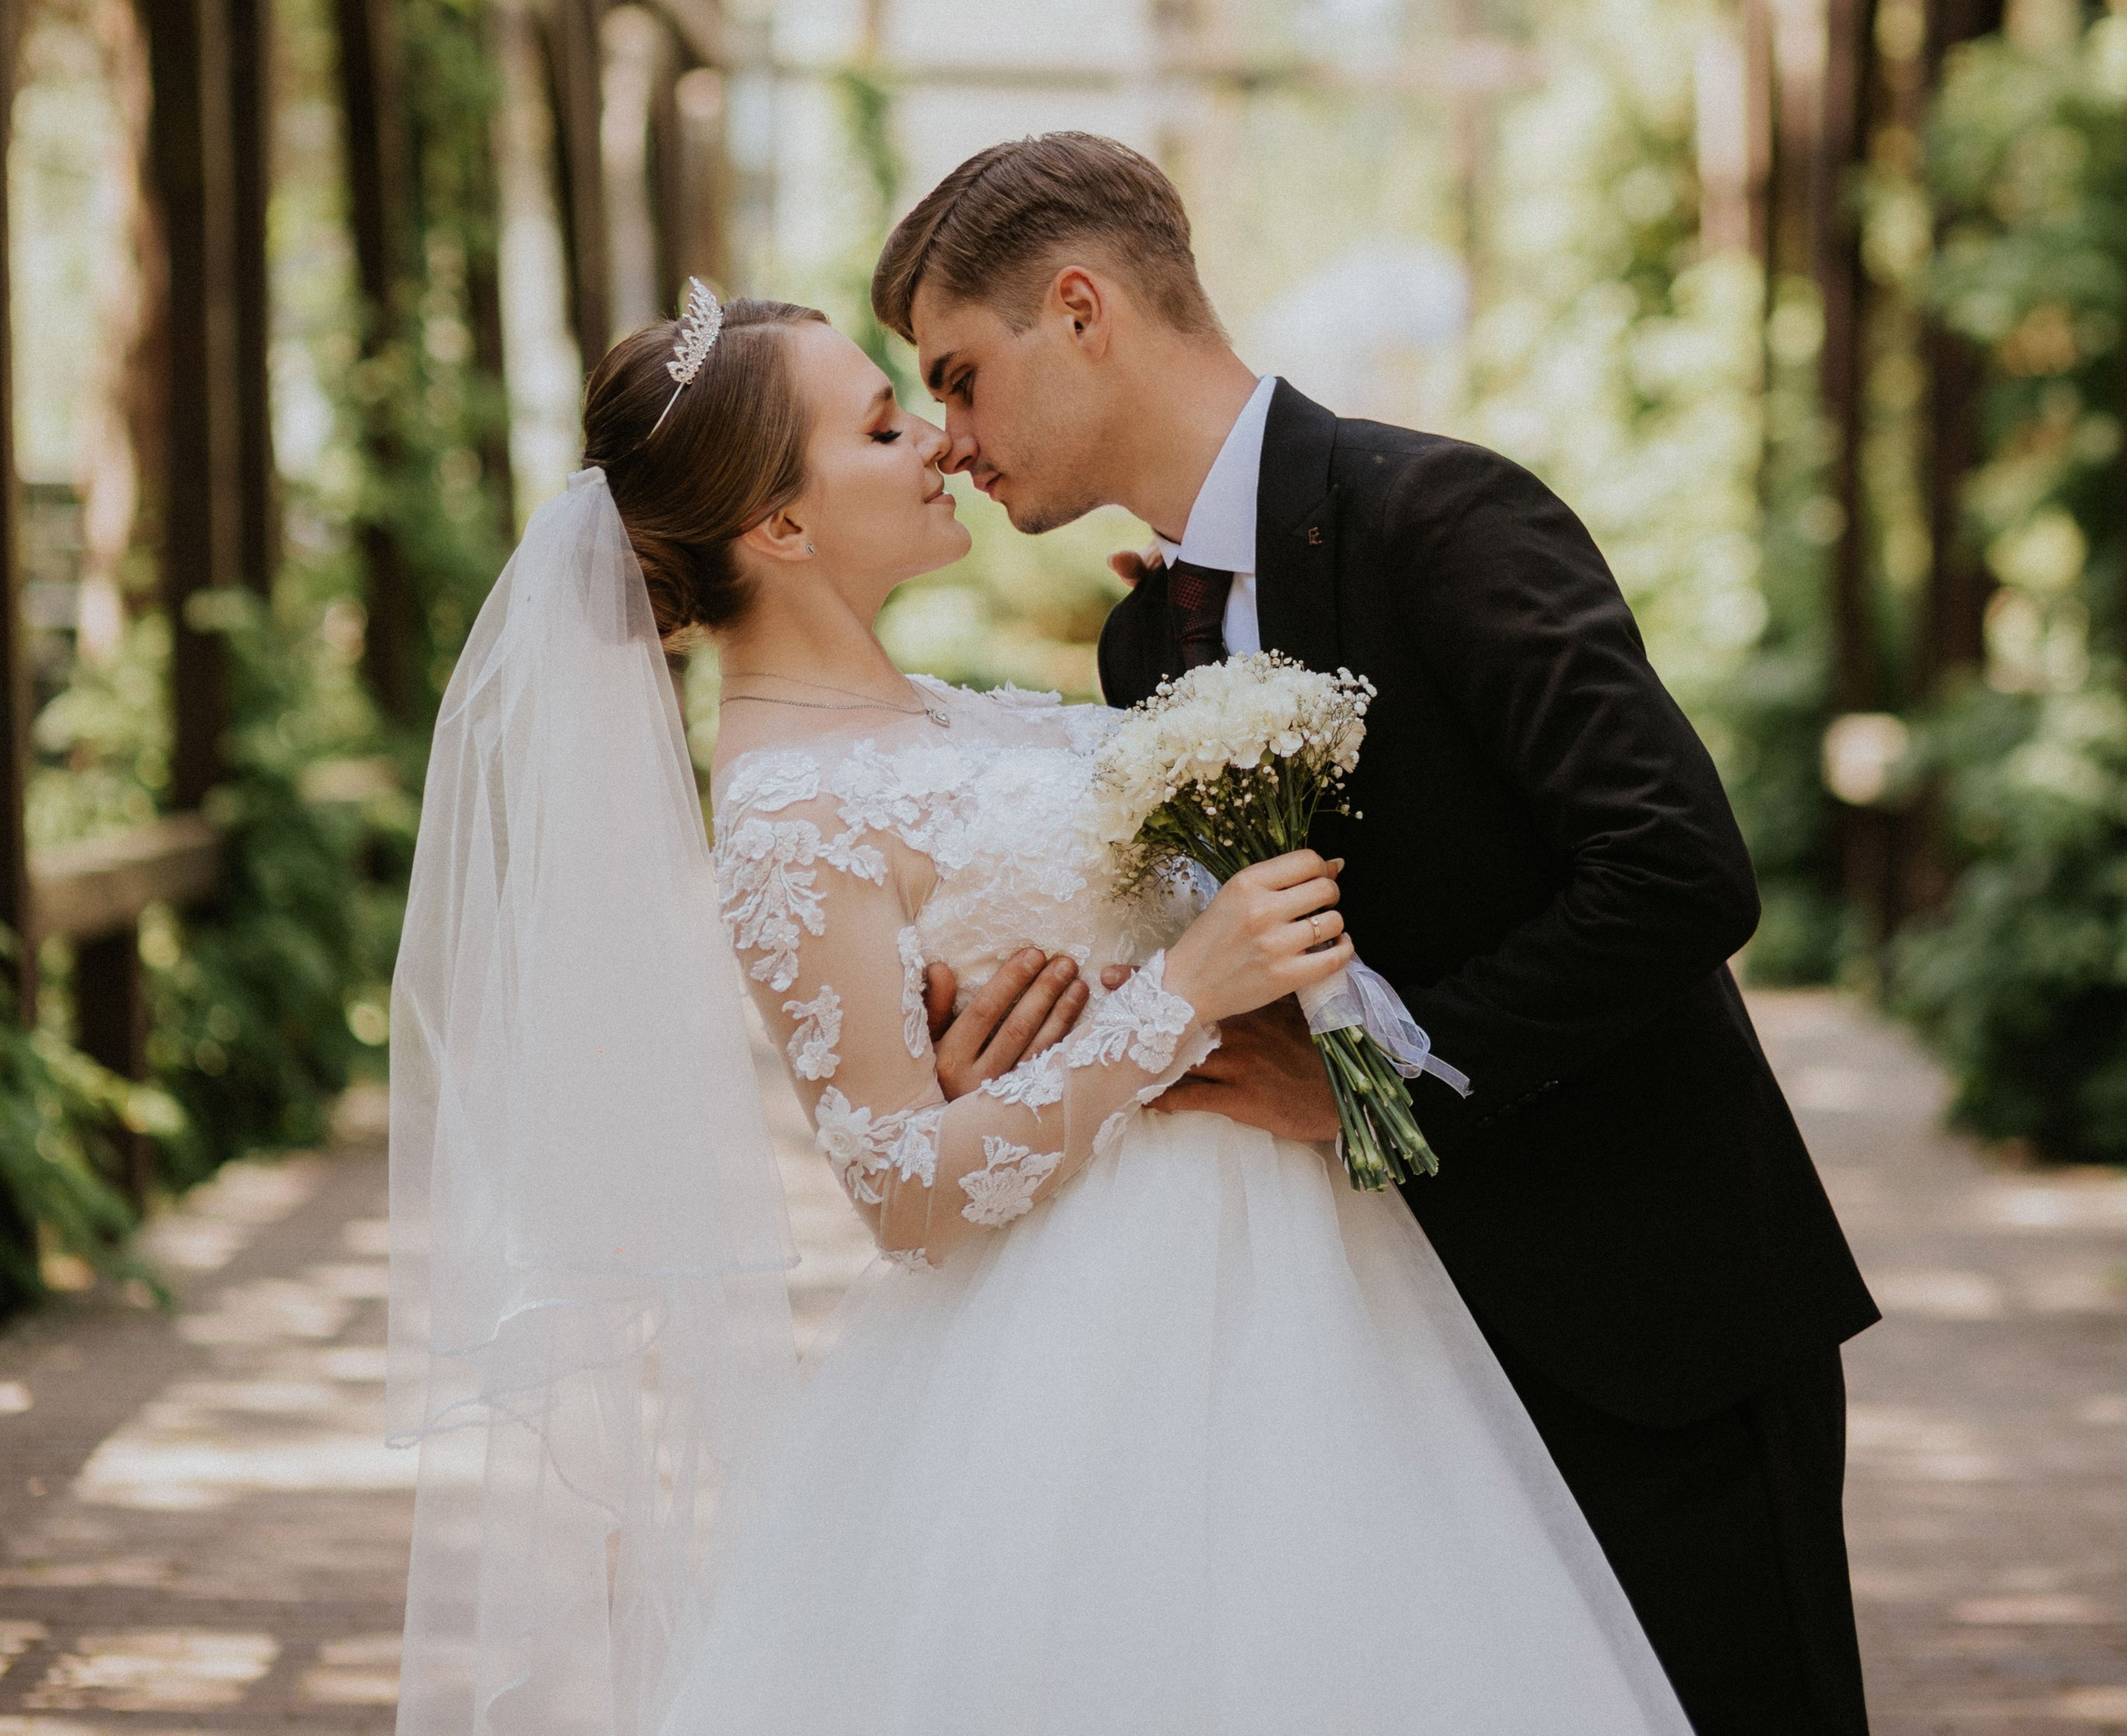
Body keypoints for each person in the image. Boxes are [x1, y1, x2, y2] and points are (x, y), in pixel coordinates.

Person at [391, 282, 1697, 1736]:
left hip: (1305, 1278)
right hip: (1093, 1341)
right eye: (888, 425)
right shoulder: (787, 813)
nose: (942, 446)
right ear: (782, 528)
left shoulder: (951, 710)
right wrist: (1180, 1005)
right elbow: (897, 1192)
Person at [870, 131, 1877, 1736]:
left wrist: (1381, 1076)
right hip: (1386, 1358)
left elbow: (1679, 872)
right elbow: (1236, 952)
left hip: (1644, 1310)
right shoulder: (1148, 638)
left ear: (1079, 308)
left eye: (959, 377)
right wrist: (1031, 1017)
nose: (952, 441)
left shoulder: (1438, 513)